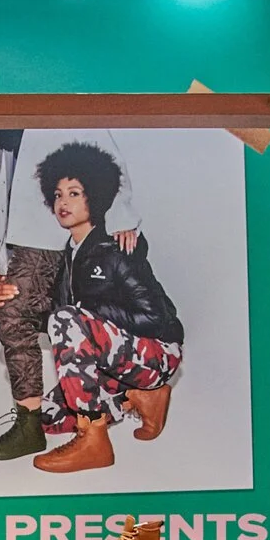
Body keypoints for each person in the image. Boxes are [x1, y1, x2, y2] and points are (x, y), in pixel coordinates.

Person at [26, 141, 183, 474]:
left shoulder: (116, 246)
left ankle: (93, 437)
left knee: (67, 319)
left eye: (74, 193)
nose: (62, 203)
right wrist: (15, 300)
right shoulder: (69, 255)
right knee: (47, 416)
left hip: (156, 353)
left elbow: (155, 317)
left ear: (95, 196)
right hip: (116, 362)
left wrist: (90, 312)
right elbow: (63, 323)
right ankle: (138, 398)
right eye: (57, 195)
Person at [0, 129, 61, 461]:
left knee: (16, 313)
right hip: (30, 240)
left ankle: (32, 426)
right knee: (18, 314)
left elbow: (104, 153)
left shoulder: (53, 115)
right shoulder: (14, 139)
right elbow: (11, 198)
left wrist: (124, 217)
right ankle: (30, 425)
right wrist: (0, 258)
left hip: (54, 235)